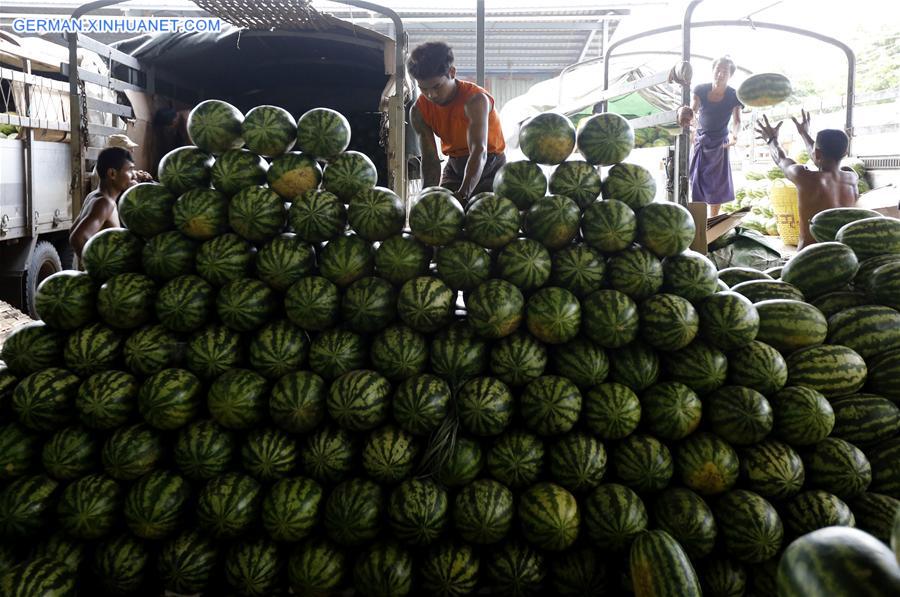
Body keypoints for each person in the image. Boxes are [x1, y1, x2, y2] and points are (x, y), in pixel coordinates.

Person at [408, 41, 506, 206]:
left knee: (481, 214)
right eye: (423, 89)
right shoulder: (419, 110)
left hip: (490, 164)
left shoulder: (475, 100)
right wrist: (426, 199)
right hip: (455, 165)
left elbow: (479, 151)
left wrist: (463, 194)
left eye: (437, 87)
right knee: (441, 212)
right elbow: (430, 160)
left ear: (452, 73)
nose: (430, 95)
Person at [755, 109, 858, 249]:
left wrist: (771, 139)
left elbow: (781, 159)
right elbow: (820, 158)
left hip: (810, 255)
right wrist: (804, 133)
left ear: (817, 153)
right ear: (845, 153)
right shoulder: (852, 177)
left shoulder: (805, 177)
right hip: (841, 254)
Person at [677, 56, 744, 216]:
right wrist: (686, 116)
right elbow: (693, 110)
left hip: (721, 143)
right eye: (718, 70)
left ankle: (713, 221)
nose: (720, 74)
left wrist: (735, 135)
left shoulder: (734, 95)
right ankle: (699, 221)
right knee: (697, 181)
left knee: (717, 184)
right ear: (712, 71)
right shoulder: (700, 89)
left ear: (730, 75)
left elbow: (737, 120)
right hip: (701, 141)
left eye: (725, 72)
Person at [70, 146, 137, 260]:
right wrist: (96, 270)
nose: (134, 175)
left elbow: (72, 229)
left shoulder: (93, 196)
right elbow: (77, 238)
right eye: (130, 170)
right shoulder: (105, 204)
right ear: (112, 174)